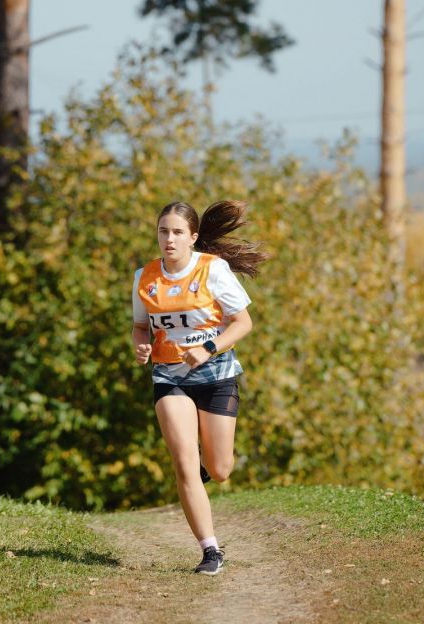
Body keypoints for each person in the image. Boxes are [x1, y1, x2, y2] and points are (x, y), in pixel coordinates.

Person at [130, 199, 268, 575]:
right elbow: (142, 326)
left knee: (220, 469)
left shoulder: (213, 270)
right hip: (169, 376)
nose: (169, 239)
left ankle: (206, 473)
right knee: (184, 461)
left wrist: (207, 348)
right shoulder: (145, 277)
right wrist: (140, 344)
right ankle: (210, 550)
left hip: (217, 375)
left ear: (193, 237)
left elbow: (243, 323)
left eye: (177, 232)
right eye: (163, 231)